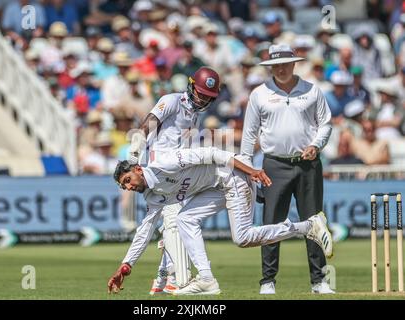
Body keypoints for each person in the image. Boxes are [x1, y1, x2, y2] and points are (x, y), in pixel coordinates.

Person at [108, 147, 333, 295]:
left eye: (128, 180)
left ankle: (308, 225)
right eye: (124, 186)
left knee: (242, 238)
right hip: (215, 187)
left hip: (233, 174)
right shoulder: (151, 195)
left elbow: (214, 153)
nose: (129, 187)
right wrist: (125, 267)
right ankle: (206, 278)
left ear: (138, 169)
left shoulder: (164, 163)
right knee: (184, 217)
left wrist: (252, 171)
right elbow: (144, 231)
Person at [240, 44, 334, 295]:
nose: (280, 69)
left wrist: (316, 145)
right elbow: (249, 134)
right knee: (271, 223)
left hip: (308, 164)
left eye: (285, 64)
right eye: (275, 65)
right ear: (270, 67)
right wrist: (247, 168)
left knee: (314, 221)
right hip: (274, 164)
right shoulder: (259, 94)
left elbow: (325, 124)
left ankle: (319, 281)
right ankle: (268, 280)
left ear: (294, 64)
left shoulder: (312, 90)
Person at [128, 67, 223, 294]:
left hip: (177, 174)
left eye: (208, 97)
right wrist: (134, 153)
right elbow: (148, 123)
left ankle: (164, 279)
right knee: (169, 224)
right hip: (155, 170)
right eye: (200, 93)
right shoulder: (171, 100)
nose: (203, 99)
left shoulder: (194, 115)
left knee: (173, 224)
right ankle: (175, 278)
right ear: (191, 86)